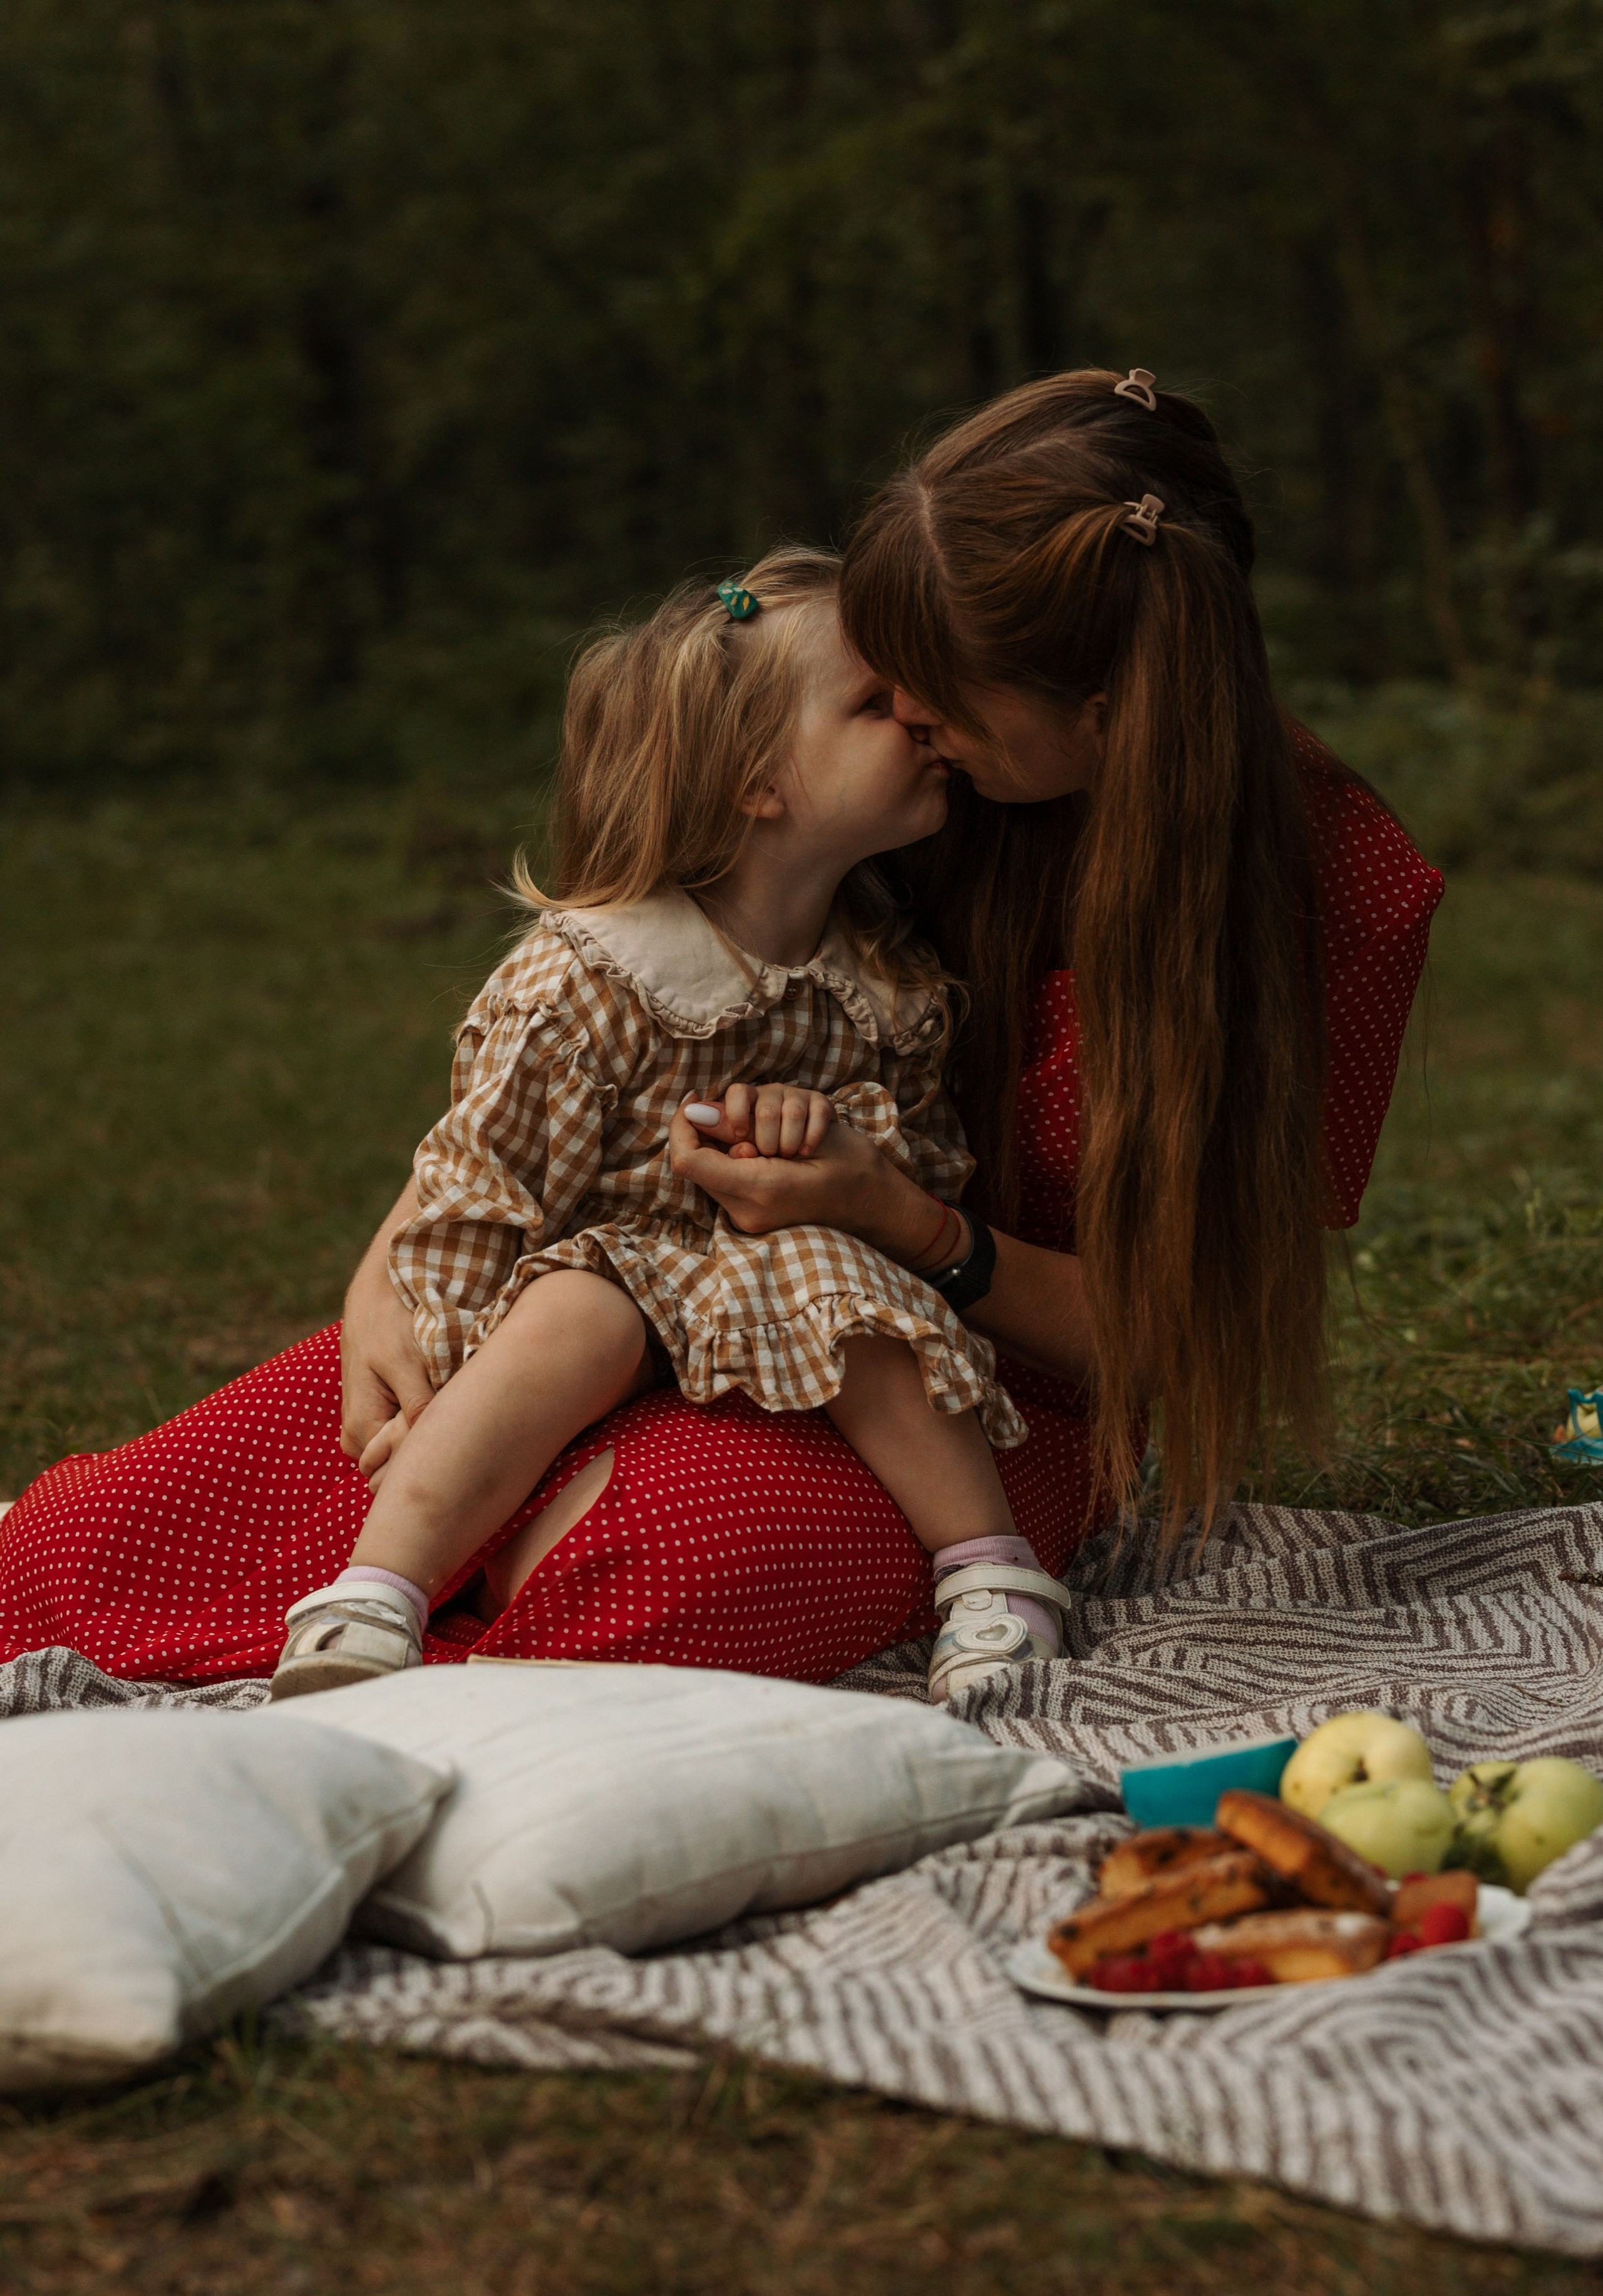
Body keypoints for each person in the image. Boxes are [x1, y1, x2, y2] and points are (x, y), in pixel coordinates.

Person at [0, 369, 1442, 1688]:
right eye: (885, 685)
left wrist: (906, 1225)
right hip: (638, 1284)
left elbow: (1176, 1337)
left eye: (931, 699)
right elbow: (592, 1045)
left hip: (975, 1387)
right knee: (212, 1489)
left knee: (638, 1558)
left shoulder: (1335, 903)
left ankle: (393, 1719)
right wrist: (393, 1259)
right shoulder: (932, 796)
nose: (904, 713)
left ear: (1105, 707)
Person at [271, 548, 1073, 1706]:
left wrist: (840, 1148)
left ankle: (992, 1577)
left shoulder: (886, 979)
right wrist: (435, 1362)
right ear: (759, 784)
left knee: (866, 1314)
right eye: (871, 702)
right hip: (617, 1271)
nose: (917, 714)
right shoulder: (594, 976)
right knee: (566, 1320)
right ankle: (377, 1590)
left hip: (797, 1270)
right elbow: (484, 1181)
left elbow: (936, 1167)